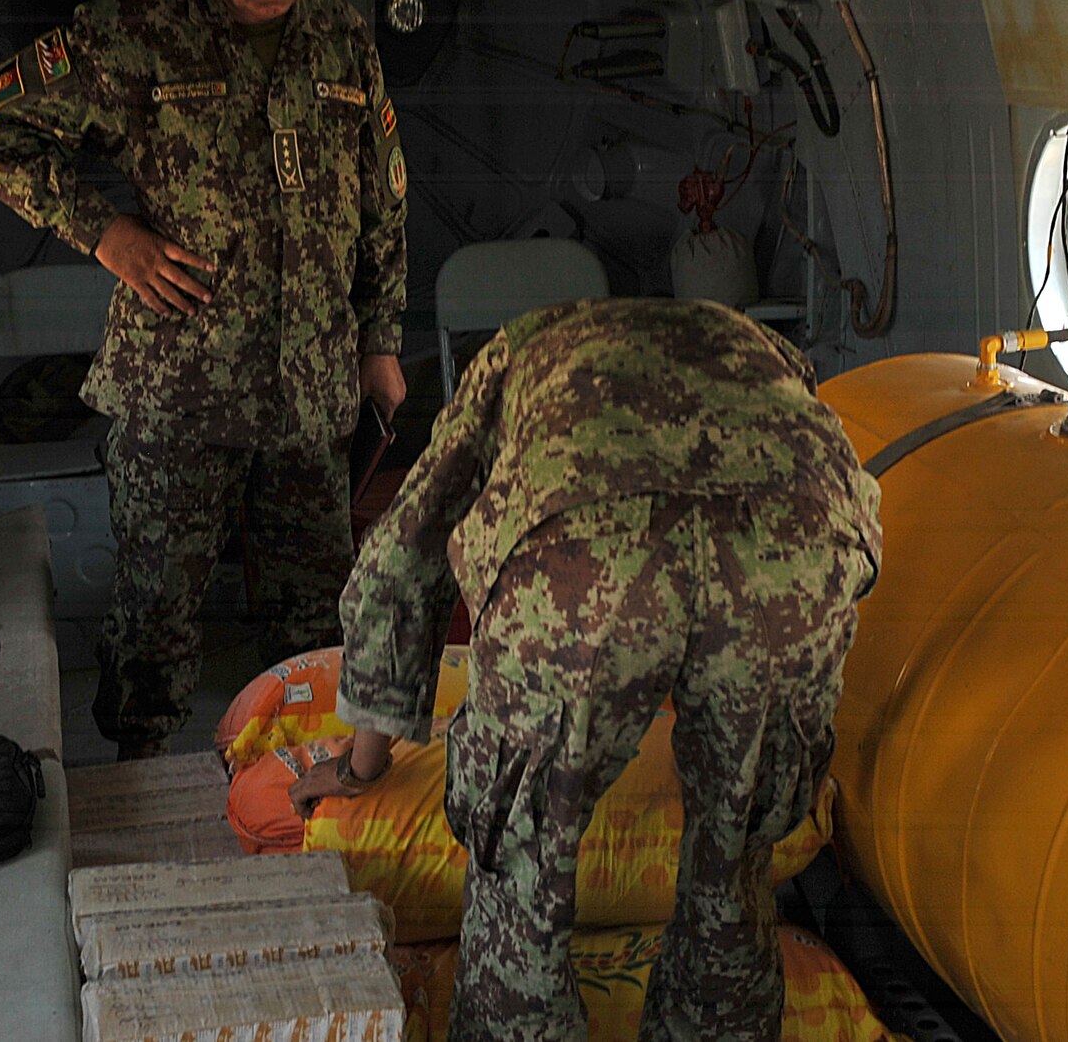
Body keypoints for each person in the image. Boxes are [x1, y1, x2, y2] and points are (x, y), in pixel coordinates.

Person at [291, 297, 880, 1042]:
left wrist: (361, 765)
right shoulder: (757, 345)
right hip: (797, 539)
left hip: (582, 551)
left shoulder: (512, 353)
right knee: (735, 851)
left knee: (522, 862)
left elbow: (402, 557)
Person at [0, 0, 409, 759]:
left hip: (312, 391)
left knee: (317, 616)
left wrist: (381, 342)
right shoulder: (131, 35)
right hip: (180, 386)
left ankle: (309, 786)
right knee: (155, 610)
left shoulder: (342, 40)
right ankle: (137, 775)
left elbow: (384, 204)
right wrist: (107, 234)